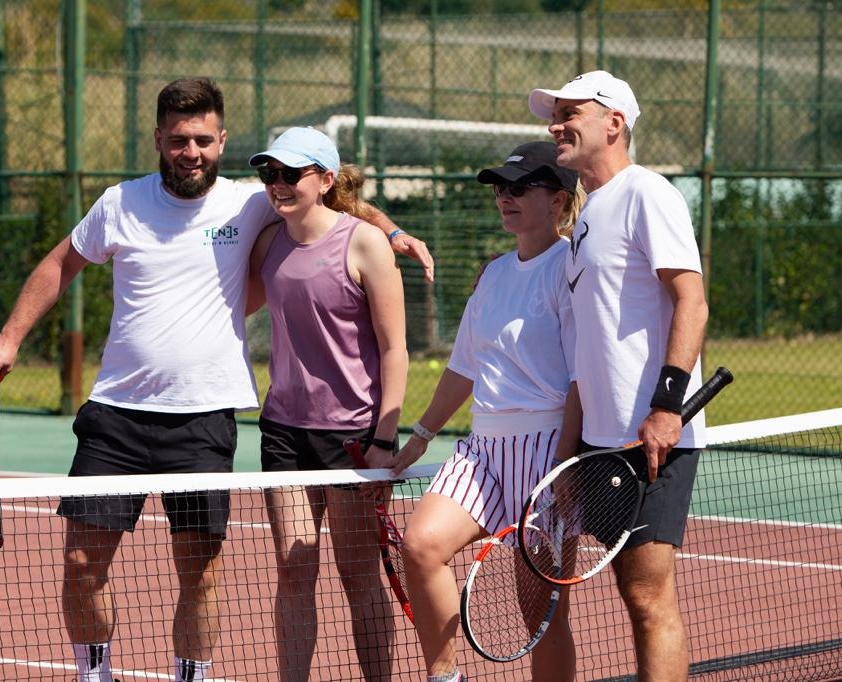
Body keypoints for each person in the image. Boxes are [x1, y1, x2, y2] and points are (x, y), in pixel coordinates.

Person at [0, 78, 432, 682]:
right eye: (178, 140)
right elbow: (62, 262)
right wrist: (10, 337)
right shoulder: (120, 203)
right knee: (83, 564)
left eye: (203, 140)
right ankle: (94, 673)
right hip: (117, 415)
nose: (191, 152)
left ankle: (192, 676)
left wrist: (393, 233)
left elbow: (337, 201)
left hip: (205, 419)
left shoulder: (250, 202)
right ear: (158, 139)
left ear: (221, 141)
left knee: (202, 570)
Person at [527, 70, 710, 680]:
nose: (556, 126)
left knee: (649, 597)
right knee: (634, 595)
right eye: (554, 116)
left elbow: (691, 301)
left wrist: (667, 407)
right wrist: (570, 454)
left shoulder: (647, 193)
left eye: (569, 113)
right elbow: (587, 350)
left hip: (653, 437)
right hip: (602, 445)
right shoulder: (585, 220)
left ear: (614, 123)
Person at [389, 141, 585, 682]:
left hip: (547, 451)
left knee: (541, 618)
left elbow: (583, 377)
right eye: (500, 187)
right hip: (483, 449)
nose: (505, 196)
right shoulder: (493, 274)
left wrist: (565, 462)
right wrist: (420, 436)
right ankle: (445, 678)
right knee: (421, 545)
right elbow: (463, 368)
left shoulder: (572, 268)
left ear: (558, 199)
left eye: (520, 187)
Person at [246, 127, 408, 681]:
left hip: (352, 436)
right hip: (283, 431)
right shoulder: (268, 243)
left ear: (325, 179)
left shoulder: (364, 244)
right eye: (270, 173)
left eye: (291, 174)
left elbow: (394, 348)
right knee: (294, 570)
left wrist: (384, 438)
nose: (278, 184)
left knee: (358, 577)